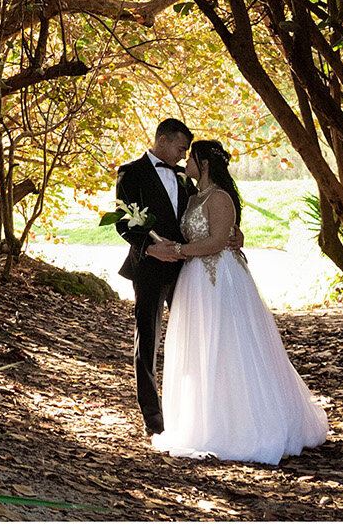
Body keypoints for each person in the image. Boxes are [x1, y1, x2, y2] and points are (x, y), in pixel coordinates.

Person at [146, 138, 329, 464]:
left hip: (219, 280)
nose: (185, 162)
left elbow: (217, 242)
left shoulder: (220, 197)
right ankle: (202, 421)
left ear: (204, 164)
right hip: (194, 281)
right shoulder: (194, 196)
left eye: (191, 158)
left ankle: (242, 427)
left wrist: (176, 251)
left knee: (229, 347)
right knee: (201, 349)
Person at [111, 118, 239, 439]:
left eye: (187, 152)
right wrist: (151, 249)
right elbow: (124, 222)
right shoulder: (131, 173)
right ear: (163, 140)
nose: (184, 157)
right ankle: (154, 421)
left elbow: (213, 213)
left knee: (194, 339)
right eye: (181, 148)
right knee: (148, 340)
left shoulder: (186, 177)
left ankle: (196, 412)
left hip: (189, 270)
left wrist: (236, 235)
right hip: (150, 268)